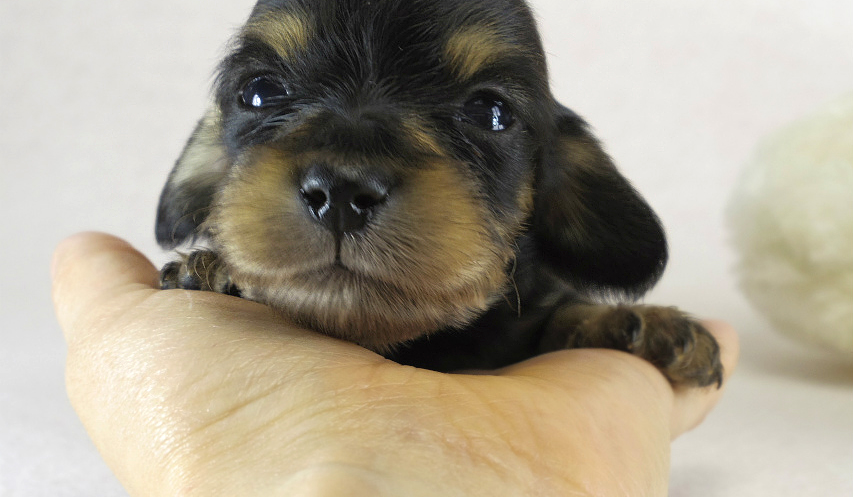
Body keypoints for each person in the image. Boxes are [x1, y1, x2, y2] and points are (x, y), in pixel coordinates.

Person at [52, 232, 738, 496]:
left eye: (482, 113)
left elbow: (556, 307)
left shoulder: (537, 281)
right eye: (265, 94)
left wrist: (588, 329)